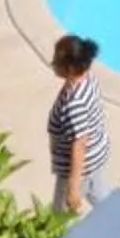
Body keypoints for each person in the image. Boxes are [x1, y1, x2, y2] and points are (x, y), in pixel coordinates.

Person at [46, 34, 110, 214]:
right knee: (103, 199)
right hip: (95, 157)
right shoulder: (87, 79)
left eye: (56, 61)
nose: (52, 63)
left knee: (59, 218)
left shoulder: (75, 103)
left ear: (71, 68)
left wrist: (73, 187)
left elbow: (79, 144)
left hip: (79, 168)